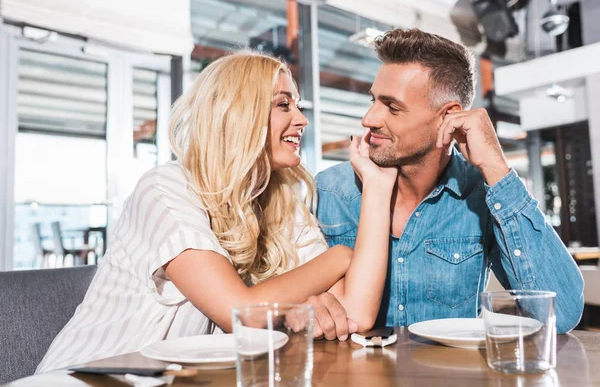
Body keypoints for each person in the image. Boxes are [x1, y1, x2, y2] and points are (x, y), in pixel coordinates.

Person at [36, 51, 397, 373]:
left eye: (298, 105)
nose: (302, 120)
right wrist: (340, 256)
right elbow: (239, 313)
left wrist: (378, 187)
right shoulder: (165, 189)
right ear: (239, 114)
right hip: (86, 377)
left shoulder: (279, 200)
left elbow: (358, 313)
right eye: (284, 105)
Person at [315, 28, 584, 334]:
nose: (369, 118)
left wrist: (496, 166)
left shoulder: (482, 195)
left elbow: (560, 315)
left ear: (447, 117)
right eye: (374, 100)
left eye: (392, 107)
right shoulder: (328, 192)